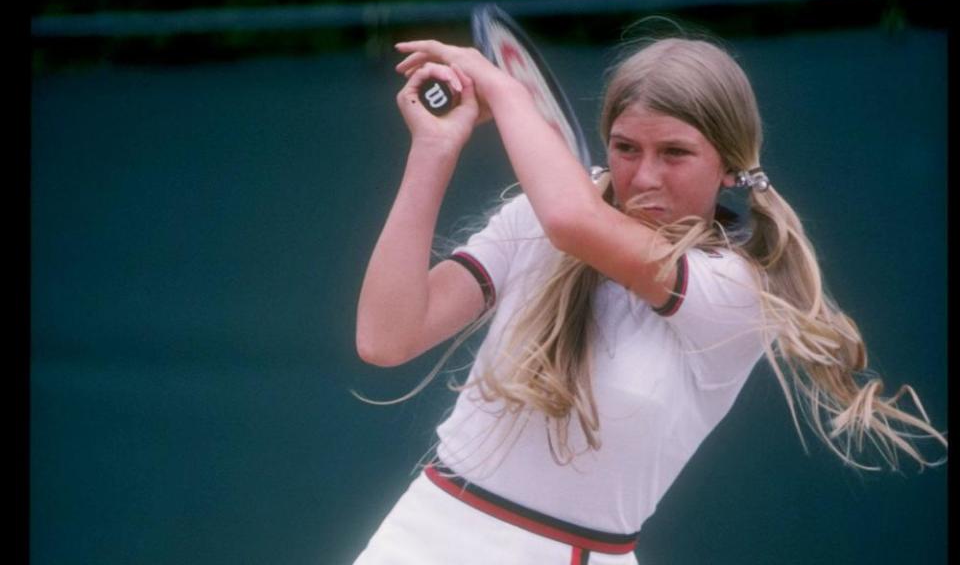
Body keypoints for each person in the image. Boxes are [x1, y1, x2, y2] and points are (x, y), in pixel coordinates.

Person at [352, 29, 946, 565]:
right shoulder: (542, 214)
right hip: (421, 532)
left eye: (676, 153)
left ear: (731, 167)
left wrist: (506, 92)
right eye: (626, 147)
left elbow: (570, 219)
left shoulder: (735, 287)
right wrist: (434, 149)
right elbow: (387, 337)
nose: (645, 177)